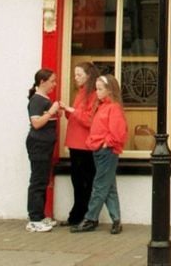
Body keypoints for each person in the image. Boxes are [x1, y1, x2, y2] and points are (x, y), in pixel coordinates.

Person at [71, 74, 127, 235]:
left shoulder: (113, 107)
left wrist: (106, 143)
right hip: (100, 149)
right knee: (108, 187)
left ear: (109, 90)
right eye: (96, 89)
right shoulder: (103, 106)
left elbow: (118, 132)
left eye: (100, 89)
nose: (97, 92)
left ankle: (90, 219)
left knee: (100, 186)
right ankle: (116, 220)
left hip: (106, 151)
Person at [59, 62, 100, 226]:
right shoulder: (81, 93)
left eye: (79, 75)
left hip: (84, 145)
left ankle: (82, 216)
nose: (75, 78)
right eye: (75, 75)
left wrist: (71, 111)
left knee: (84, 182)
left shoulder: (94, 95)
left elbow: (90, 120)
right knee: (77, 182)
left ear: (88, 76)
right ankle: (76, 215)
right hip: (75, 143)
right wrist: (69, 112)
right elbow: (77, 117)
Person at [25, 68, 61, 232]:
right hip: (38, 144)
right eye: (52, 81)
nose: (54, 84)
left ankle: (40, 216)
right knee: (38, 180)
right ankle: (34, 219)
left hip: (45, 144)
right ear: (42, 82)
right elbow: (36, 124)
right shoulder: (37, 100)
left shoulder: (44, 99)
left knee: (43, 179)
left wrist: (56, 112)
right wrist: (52, 112)